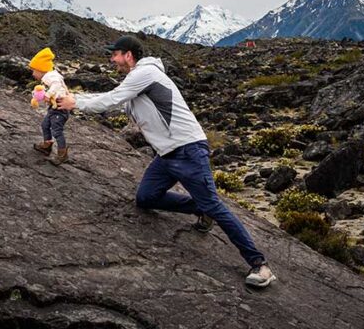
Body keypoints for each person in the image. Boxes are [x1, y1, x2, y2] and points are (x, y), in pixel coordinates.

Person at [56, 36, 276, 289]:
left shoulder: (145, 72)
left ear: (128, 55)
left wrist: (77, 103)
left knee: (214, 204)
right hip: (167, 155)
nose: (111, 59)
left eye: (114, 54)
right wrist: (74, 98)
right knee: (146, 198)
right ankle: (199, 208)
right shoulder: (136, 79)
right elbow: (112, 97)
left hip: (187, 150)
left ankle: (260, 265)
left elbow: (111, 100)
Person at [28, 47, 70, 165]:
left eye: (34, 70)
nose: (33, 73)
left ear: (41, 69)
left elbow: (56, 84)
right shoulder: (48, 76)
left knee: (57, 130)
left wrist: (48, 94)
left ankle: (62, 153)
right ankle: (47, 144)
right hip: (54, 108)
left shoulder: (51, 76)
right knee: (45, 124)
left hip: (61, 108)